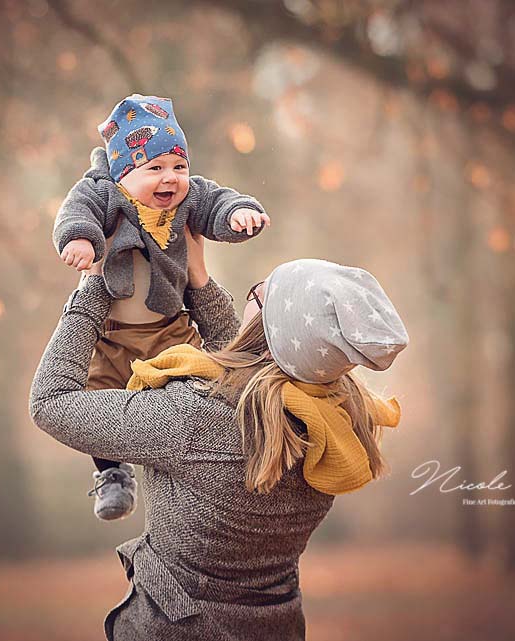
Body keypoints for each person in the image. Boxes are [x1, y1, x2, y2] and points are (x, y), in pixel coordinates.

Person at [28, 230, 409, 640]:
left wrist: (95, 290)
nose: (251, 294)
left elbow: (52, 402)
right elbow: (246, 371)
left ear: (267, 332)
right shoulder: (336, 423)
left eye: (259, 294)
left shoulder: (193, 418)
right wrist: (200, 281)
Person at [53, 94, 271, 520]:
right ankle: (113, 471)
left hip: (170, 327)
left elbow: (218, 203)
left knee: (190, 386)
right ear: (124, 172)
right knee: (96, 394)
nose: (170, 178)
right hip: (112, 334)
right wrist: (80, 239)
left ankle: (184, 462)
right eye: (155, 169)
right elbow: (74, 213)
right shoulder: (102, 193)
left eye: (179, 167)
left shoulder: (189, 200)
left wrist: (240, 214)